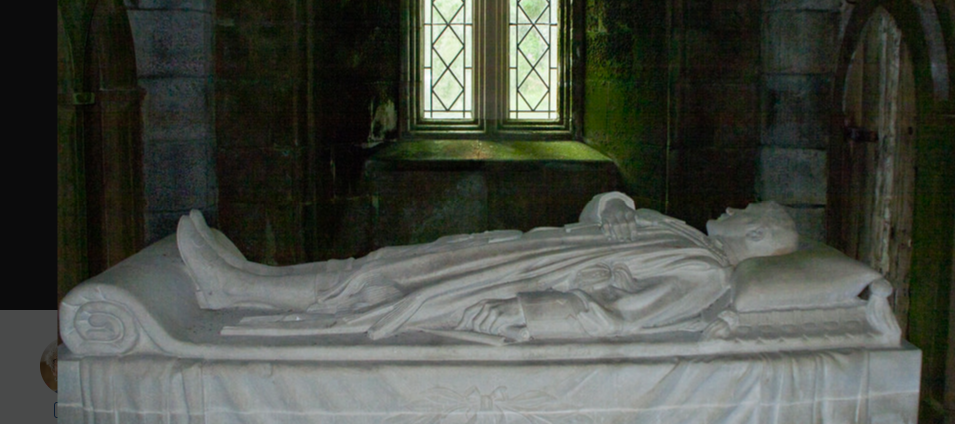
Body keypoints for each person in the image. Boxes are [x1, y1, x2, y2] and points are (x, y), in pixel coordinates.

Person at [178, 192, 798, 342]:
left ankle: (237, 288)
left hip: (527, 280)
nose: (734, 207)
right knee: (392, 262)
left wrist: (526, 312)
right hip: (523, 251)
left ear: (757, 235)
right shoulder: (686, 233)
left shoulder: (708, 274)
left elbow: (619, 316)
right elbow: (599, 216)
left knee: (387, 287)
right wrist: (613, 206)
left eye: (748, 213)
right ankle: (255, 280)